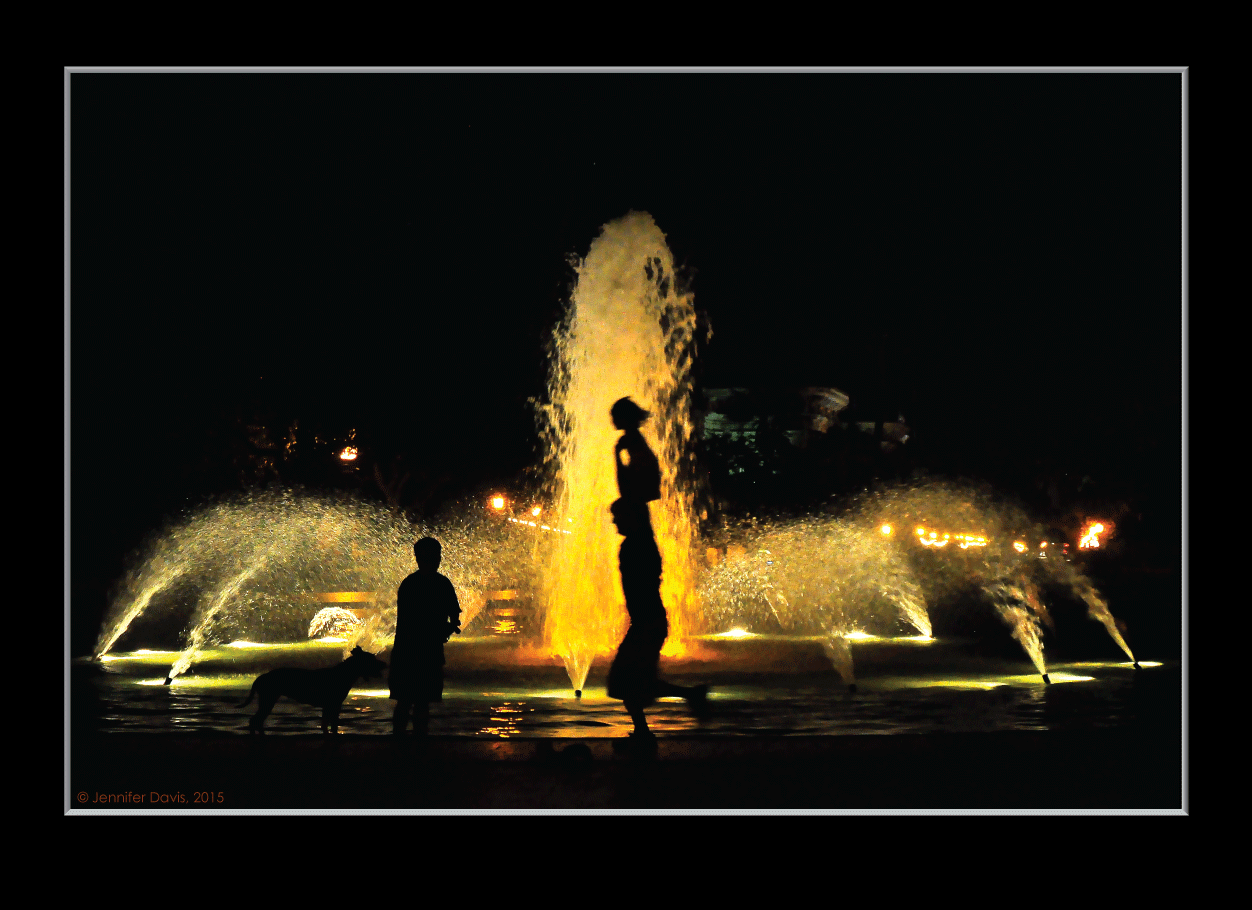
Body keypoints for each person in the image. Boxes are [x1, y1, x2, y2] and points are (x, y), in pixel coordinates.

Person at [605, 498, 708, 751]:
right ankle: (690, 697)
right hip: (647, 621)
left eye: (618, 516)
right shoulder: (641, 543)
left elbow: (642, 586)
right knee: (633, 680)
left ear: (632, 517)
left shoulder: (637, 545)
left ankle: (644, 735)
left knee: (623, 680)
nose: (614, 521)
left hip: (647, 623)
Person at [390, 536, 461, 736]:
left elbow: (411, 620)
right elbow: (452, 615)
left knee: (405, 702)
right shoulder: (442, 583)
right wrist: (447, 628)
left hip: (406, 651)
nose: (435, 560)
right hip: (425, 651)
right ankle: (420, 744)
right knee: (421, 703)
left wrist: (446, 626)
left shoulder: (409, 584)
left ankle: (399, 744)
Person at [611, 396, 661, 505]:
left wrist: (617, 453)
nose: (612, 420)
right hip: (647, 484)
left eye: (614, 416)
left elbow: (642, 463)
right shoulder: (633, 435)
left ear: (623, 417)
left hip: (645, 486)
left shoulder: (631, 437)